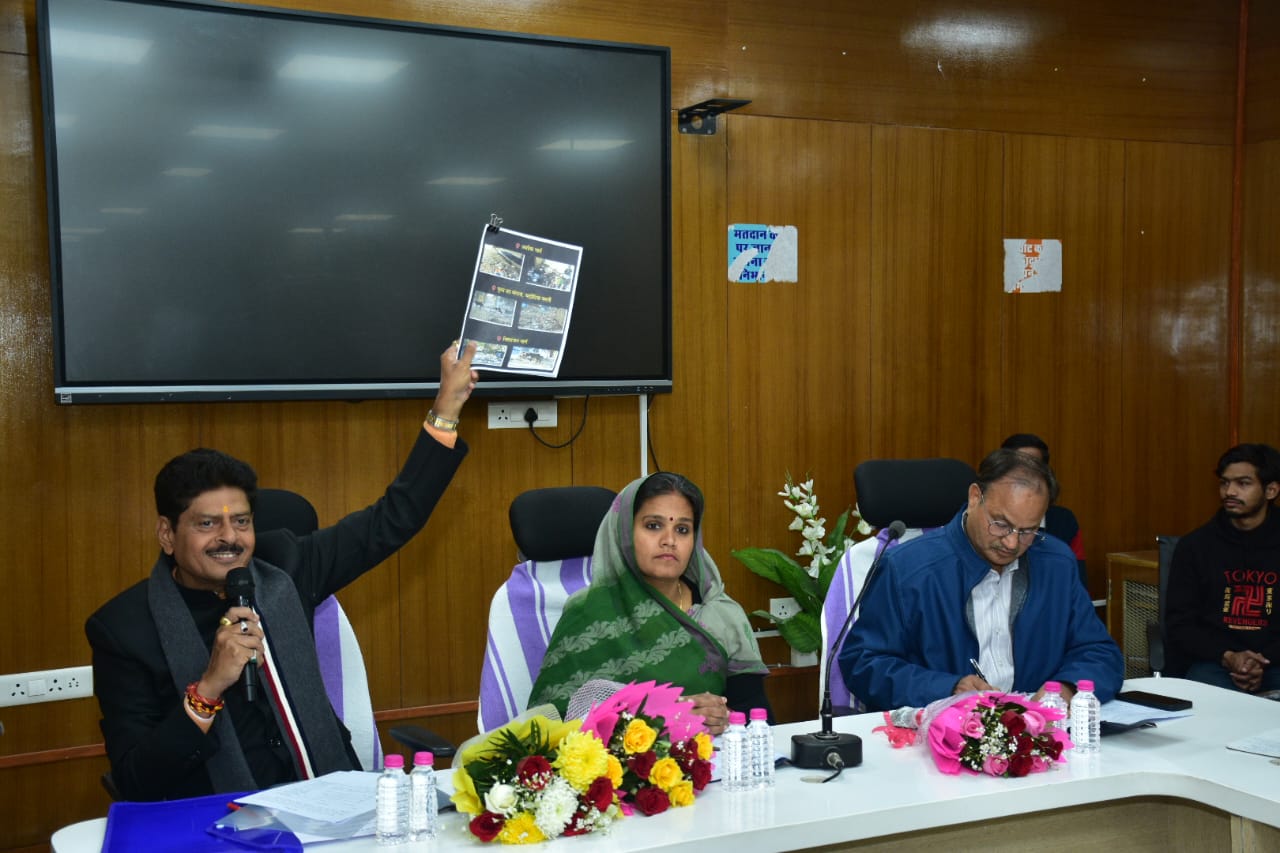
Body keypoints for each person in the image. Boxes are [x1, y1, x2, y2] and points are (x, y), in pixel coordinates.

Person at [85, 342, 478, 801]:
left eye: (242, 521)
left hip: (328, 800)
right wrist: (209, 687)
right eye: (207, 524)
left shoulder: (286, 567)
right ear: (168, 535)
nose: (229, 538)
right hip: (216, 819)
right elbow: (136, 779)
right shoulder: (123, 630)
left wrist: (446, 407)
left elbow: (393, 519)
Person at [838, 448, 1123, 711]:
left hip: (1040, 735)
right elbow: (864, 663)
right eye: (1001, 524)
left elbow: (1098, 651)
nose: (1012, 543)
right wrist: (948, 689)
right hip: (939, 737)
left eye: (1028, 531)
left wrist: (1068, 688)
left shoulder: (1056, 564)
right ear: (975, 497)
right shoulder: (908, 568)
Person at [527, 472, 771, 733]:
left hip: (714, 765)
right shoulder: (587, 612)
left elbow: (760, 719)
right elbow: (551, 725)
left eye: (682, 529)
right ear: (624, 534)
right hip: (617, 769)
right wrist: (664, 718)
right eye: (653, 526)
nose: (669, 540)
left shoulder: (719, 614)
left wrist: (725, 719)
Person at [1165, 443, 1280, 693]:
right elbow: (1179, 624)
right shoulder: (1195, 546)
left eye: (1243, 483)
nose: (1230, 491)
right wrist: (1229, 657)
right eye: (1225, 483)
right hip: (1215, 663)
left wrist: (1257, 663)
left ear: (1271, 490)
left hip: (1274, 662)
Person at [1000, 433, 1088, 589]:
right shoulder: (986, 521)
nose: (1024, 476)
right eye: (1017, 467)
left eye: (1033, 467)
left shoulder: (1064, 521)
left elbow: (1078, 585)